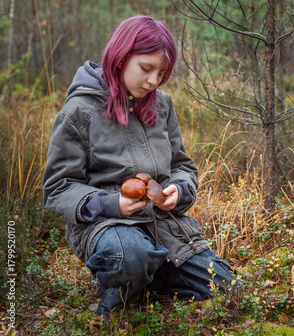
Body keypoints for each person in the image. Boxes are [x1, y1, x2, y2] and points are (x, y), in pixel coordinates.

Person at [42, 15, 236, 323]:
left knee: (227, 286)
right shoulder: (80, 111)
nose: (153, 81)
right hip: (105, 226)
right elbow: (58, 187)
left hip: (161, 224)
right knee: (131, 254)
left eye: (162, 73)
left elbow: (182, 165)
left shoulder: (162, 105)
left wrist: (179, 190)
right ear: (120, 58)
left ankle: (145, 278)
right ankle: (125, 281)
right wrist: (111, 204)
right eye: (146, 69)